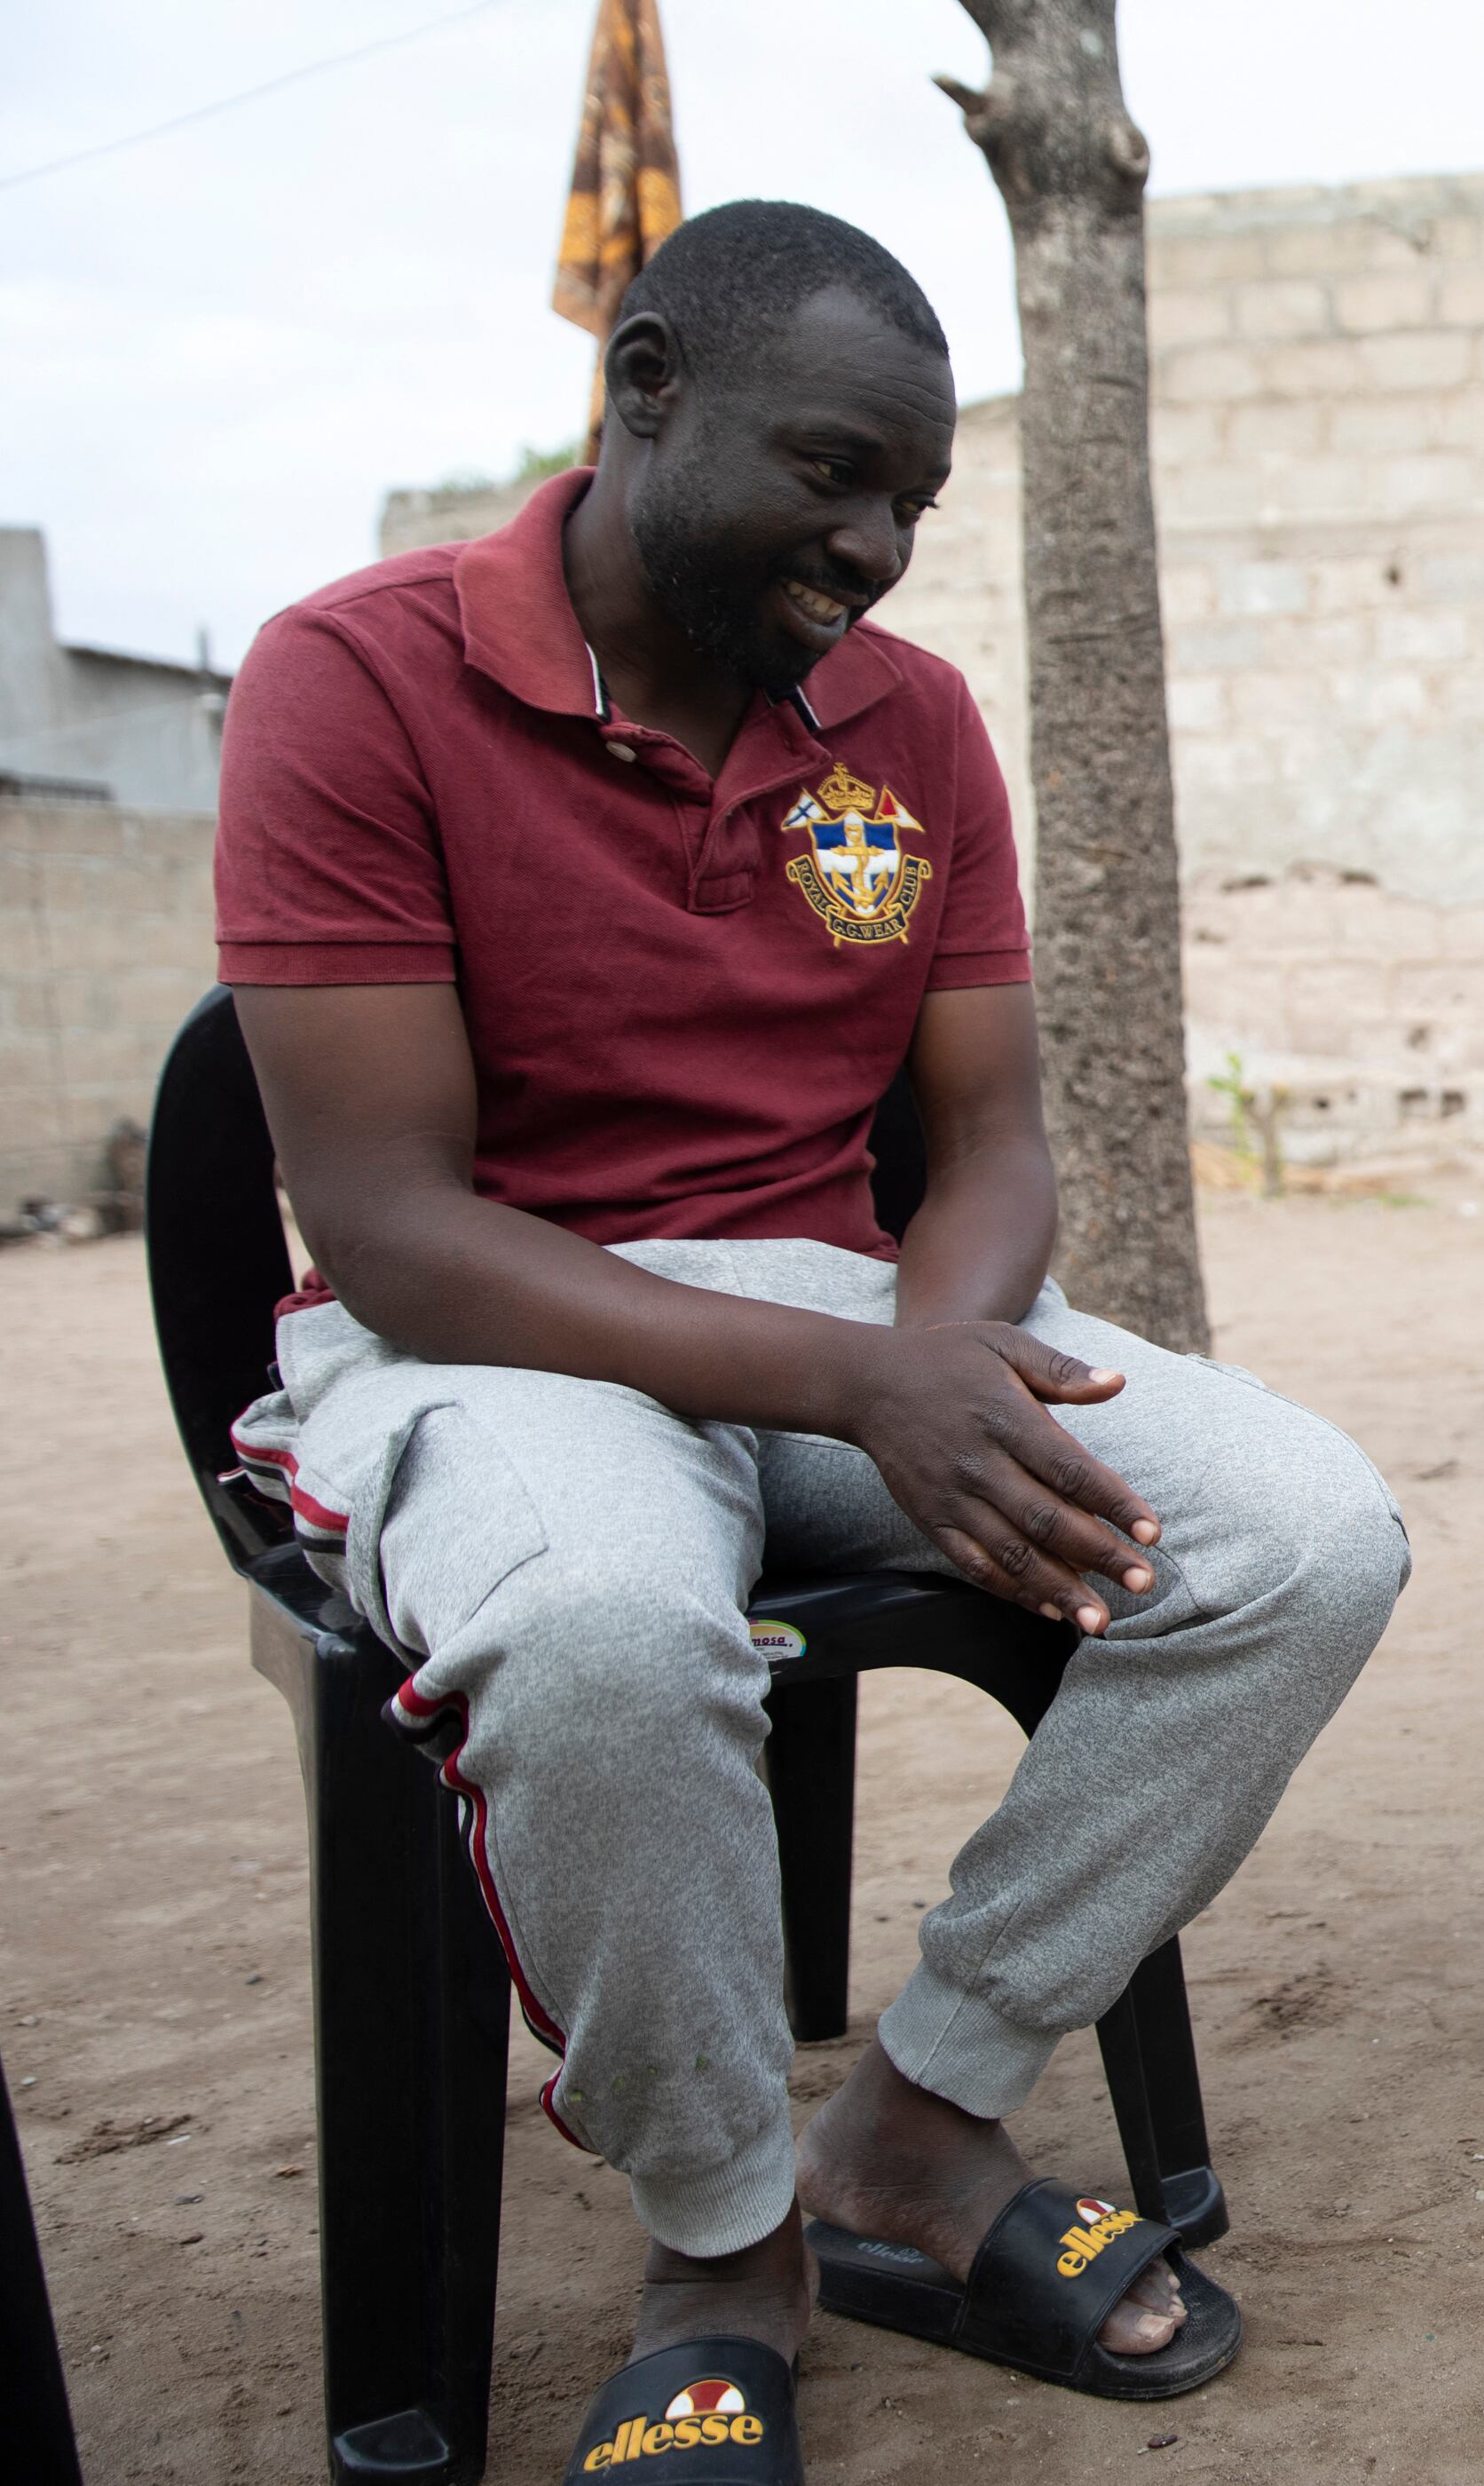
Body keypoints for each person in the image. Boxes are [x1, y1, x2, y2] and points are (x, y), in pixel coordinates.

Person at [215, 201, 1411, 2471]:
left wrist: (942, 1359)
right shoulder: (353, 675)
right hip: (504, 1326)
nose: (872, 549)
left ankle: (921, 2117)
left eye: (913, 506)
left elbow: (989, 1137)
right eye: (835, 474)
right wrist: (874, 1382)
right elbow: (392, 1225)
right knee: (594, 1632)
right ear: (647, 383)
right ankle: (720, 2229)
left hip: (850, 1304)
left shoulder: (909, 720)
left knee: (1303, 1535)